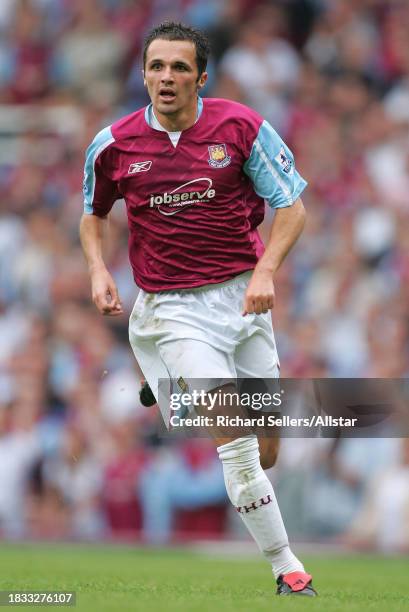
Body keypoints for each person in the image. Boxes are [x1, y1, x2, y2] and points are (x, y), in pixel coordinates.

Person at [80, 21, 317, 597]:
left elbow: (293, 209)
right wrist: (97, 268)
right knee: (234, 441)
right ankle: (287, 568)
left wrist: (264, 272)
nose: (166, 77)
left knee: (267, 447)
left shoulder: (241, 127)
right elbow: (93, 212)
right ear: (143, 75)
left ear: (200, 77)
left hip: (242, 299)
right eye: (156, 66)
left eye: (179, 67)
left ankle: (167, 387)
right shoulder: (113, 144)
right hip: (172, 306)